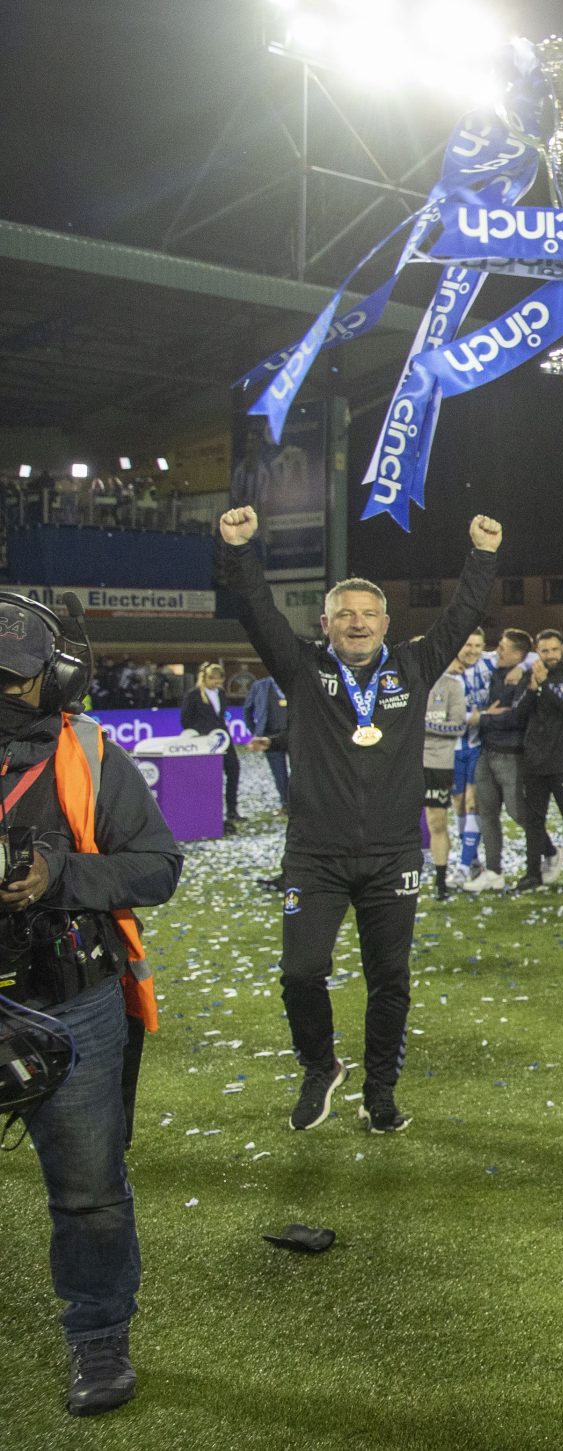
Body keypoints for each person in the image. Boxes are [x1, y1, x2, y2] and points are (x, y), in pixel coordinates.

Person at [214, 505, 498, 1133]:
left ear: (387, 624)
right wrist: (239, 550)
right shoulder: (302, 668)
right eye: (345, 614)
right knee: (300, 973)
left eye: (369, 614)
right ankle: (320, 1068)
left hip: (393, 855)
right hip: (314, 855)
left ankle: (381, 1091)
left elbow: (460, 617)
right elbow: (257, 610)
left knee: (389, 980)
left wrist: (482, 556)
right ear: (326, 624)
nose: (358, 623)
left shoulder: (416, 666)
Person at [0, 593, 181, 1417]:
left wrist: (58, 877)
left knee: (87, 1192)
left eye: (14, 676)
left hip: (72, 1003)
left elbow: (158, 866)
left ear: (58, 675)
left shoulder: (92, 751)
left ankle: (99, 1334)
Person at [510, 630, 563, 894]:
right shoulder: (530, 677)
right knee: (534, 821)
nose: (551, 655)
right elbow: (517, 713)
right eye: (545, 651)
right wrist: (533, 689)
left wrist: (545, 685)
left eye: (555, 650)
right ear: (538, 652)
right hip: (535, 761)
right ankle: (532, 873)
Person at [472, 629, 533, 887]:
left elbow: (516, 717)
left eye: (504, 648)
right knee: (486, 812)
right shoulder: (494, 669)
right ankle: (494, 871)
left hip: (511, 753)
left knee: (517, 810)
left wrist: (485, 717)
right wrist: (490, 715)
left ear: (518, 655)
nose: (498, 650)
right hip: (486, 749)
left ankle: (550, 852)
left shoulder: (524, 677)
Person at [422, 654, 468, 900]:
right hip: (402, 764)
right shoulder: (399, 686)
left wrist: (421, 725)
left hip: (437, 763)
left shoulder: (451, 686)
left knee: (436, 823)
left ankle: (440, 883)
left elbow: (458, 726)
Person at [452, 630, 492, 882]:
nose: (472, 650)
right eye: (467, 644)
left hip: (478, 746)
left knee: (471, 802)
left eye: (478, 645)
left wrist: (519, 670)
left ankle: (464, 866)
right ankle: (473, 859)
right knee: (458, 804)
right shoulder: (444, 670)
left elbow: (527, 655)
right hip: (451, 747)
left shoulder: (490, 662)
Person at [179, 663, 236, 831]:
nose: (218, 684)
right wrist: (200, 734)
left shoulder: (221, 694)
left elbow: (221, 716)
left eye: (220, 681)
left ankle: (232, 810)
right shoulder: (194, 695)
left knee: (234, 769)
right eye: (215, 681)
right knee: (211, 776)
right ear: (207, 678)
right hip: (205, 742)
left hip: (223, 738)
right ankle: (209, 811)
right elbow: (185, 719)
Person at [245, 671, 291, 809]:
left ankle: (300, 804)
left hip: (293, 735)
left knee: (300, 772)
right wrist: (255, 731)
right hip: (269, 736)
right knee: (279, 773)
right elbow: (247, 709)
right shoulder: (260, 686)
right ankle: (286, 804)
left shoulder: (294, 683)